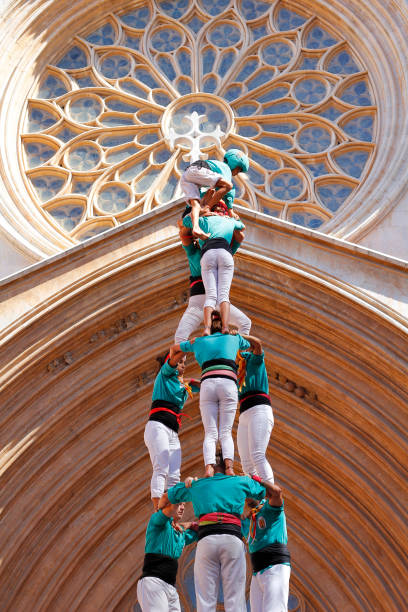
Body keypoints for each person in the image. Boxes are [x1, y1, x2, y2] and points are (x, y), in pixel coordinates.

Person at [159, 453, 277, 612]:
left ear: (210, 466)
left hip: (207, 540)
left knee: (205, 600)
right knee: (235, 600)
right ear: (228, 464)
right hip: (232, 539)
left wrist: (169, 521)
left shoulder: (198, 484)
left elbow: (166, 498)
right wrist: (251, 479)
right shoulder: (240, 481)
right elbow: (269, 493)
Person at [171, 311, 250, 477]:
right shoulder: (233, 338)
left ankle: (209, 468)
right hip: (228, 381)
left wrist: (176, 375)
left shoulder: (199, 341)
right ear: (225, 325)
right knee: (226, 431)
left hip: (208, 383)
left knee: (210, 433)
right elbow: (250, 343)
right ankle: (229, 468)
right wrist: (236, 334)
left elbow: (174, 348)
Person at [174, 208, 251, 343]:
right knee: (181, 335)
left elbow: (239, 237)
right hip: (201, 302)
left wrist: (226, 217)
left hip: (210, 302)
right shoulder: (193, 251)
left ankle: (238, 356)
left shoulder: (219, 251)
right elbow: (184, 231)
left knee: (245, 323)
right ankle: (180, 363)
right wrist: (205, 214)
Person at [144, 352, 198, 510]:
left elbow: (205, 385)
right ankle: (157, 508)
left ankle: (170, 512)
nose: (183, 365)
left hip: (172, 432)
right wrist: (186, 346)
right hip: (158, 426)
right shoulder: (165, 374)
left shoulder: (183, 386)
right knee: (161, 467)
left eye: (184, 362)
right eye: (180, 361)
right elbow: (173, 359)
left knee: (174, 475)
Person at [137, 501, 198, 611]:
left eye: (184, 505)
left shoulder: (180, 535)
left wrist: (189, 525)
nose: (183, 508)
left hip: (170, 587)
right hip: (154, 583)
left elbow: (203, 531)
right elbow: (169, 509)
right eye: (179, 504)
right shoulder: (157, 522)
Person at [180, 149, 249, 240]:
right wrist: (230, 210)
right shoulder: (225, 168)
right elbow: (229, 191)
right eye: (238, 169)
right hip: (197, 170)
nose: (236, 173)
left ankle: (196, 228)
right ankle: (207, 208)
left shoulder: (216, 166)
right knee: (228, 186)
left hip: (186, 177)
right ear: (234, 163)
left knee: (195, 205)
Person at [242, 485, 291, 612]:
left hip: (275, 566)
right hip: (257, 571)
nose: (247, 497)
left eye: (250, 489)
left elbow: (277, 492)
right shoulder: (250, 518)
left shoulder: (270, 508)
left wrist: (256, 479)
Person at [237, 335, 275, 484]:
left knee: (258, 455)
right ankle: (259, 500)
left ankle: (273, 497)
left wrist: (238, 336)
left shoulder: (254, 359)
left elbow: (258, 344)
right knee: (246, 464)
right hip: (245, 413)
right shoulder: (235, 370)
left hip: (259, 409)